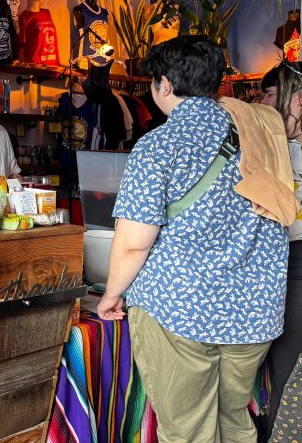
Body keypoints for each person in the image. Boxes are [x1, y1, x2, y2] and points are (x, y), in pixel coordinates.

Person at [97, 36, 291, 443]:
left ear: (164, 85)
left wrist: (112, 293)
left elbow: (134, 242)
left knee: (187, 430)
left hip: (179, 310)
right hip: (253, 312)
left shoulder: (159, 146)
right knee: (235, 420)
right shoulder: (257, 131)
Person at [264, 60, 302, 434]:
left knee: (295, 372)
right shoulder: (277, 149)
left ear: (300, 98)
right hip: (287, 269)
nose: (264, 103)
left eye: (271, 94)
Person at [18, 0, 60, 66]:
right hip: (35, 66)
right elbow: (21, 46)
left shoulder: (47, 13)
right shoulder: (24, 18)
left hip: (52, 63)